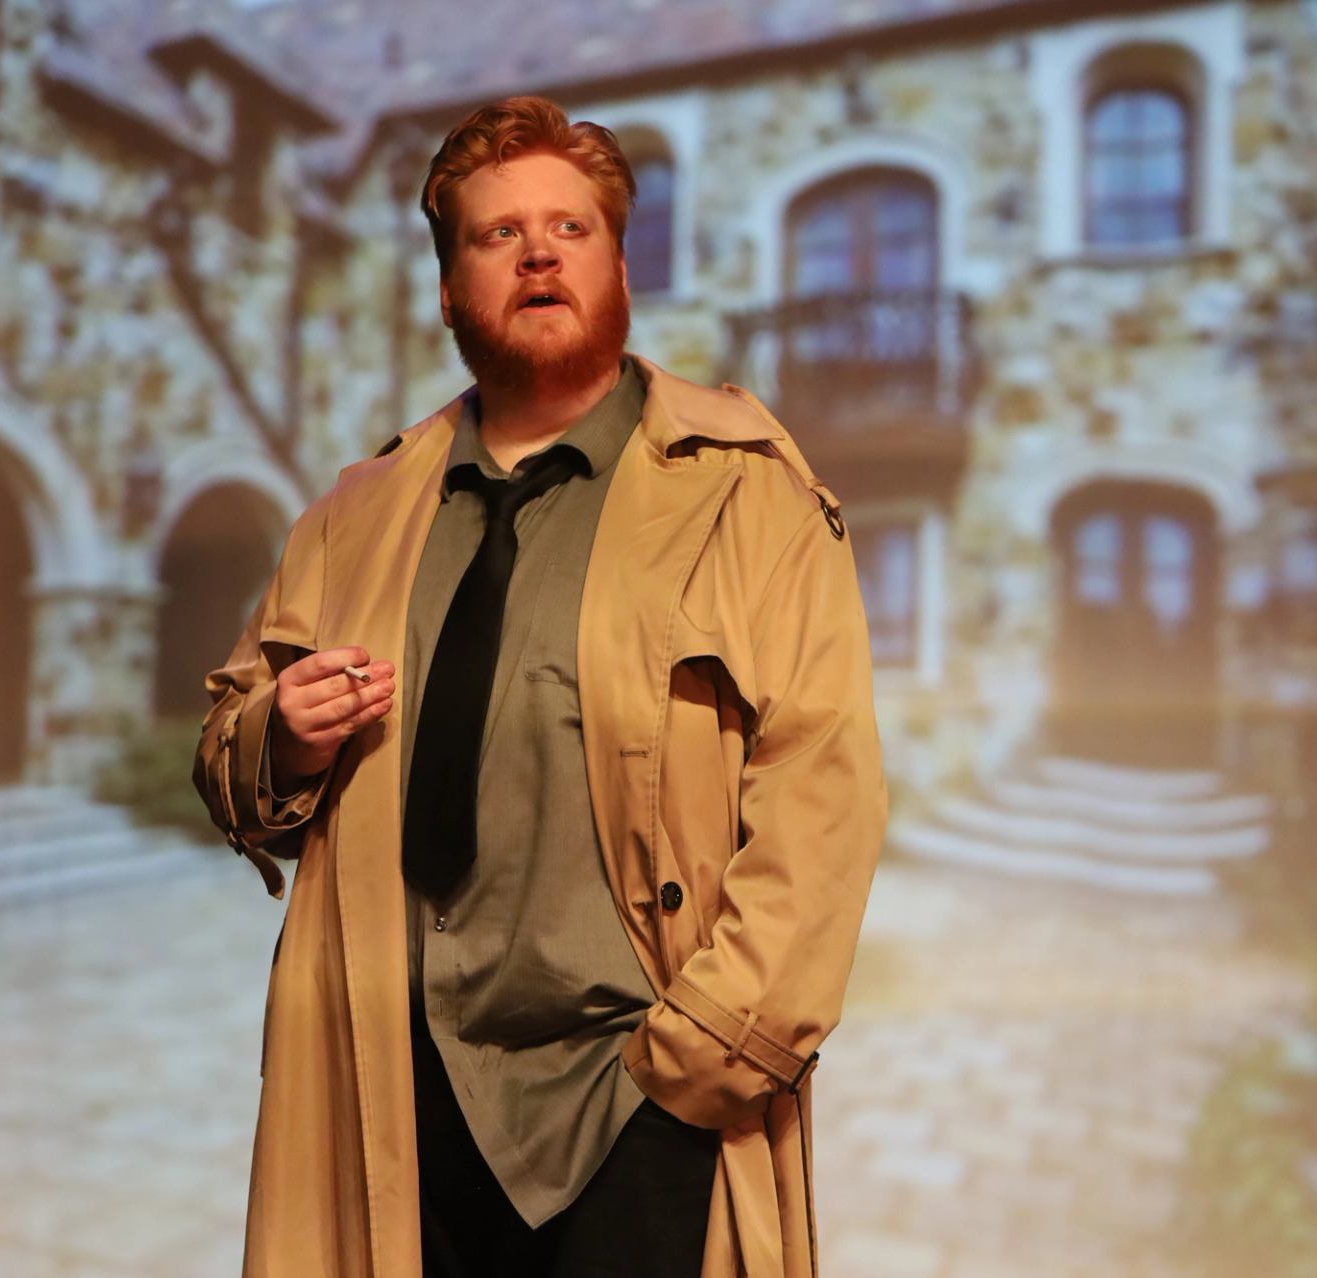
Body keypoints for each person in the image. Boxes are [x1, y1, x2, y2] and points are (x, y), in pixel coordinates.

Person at [193, 95, 884, 1278]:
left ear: (619, 260)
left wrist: (699, 1071)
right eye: (496, 234)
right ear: (453, 288)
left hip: (635, 1104)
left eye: (570, 227)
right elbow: (228, 742)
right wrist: (278, 741)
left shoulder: (746, 496)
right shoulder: (354, 516)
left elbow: (821, 795)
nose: (537, 253)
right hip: (394, 1102)